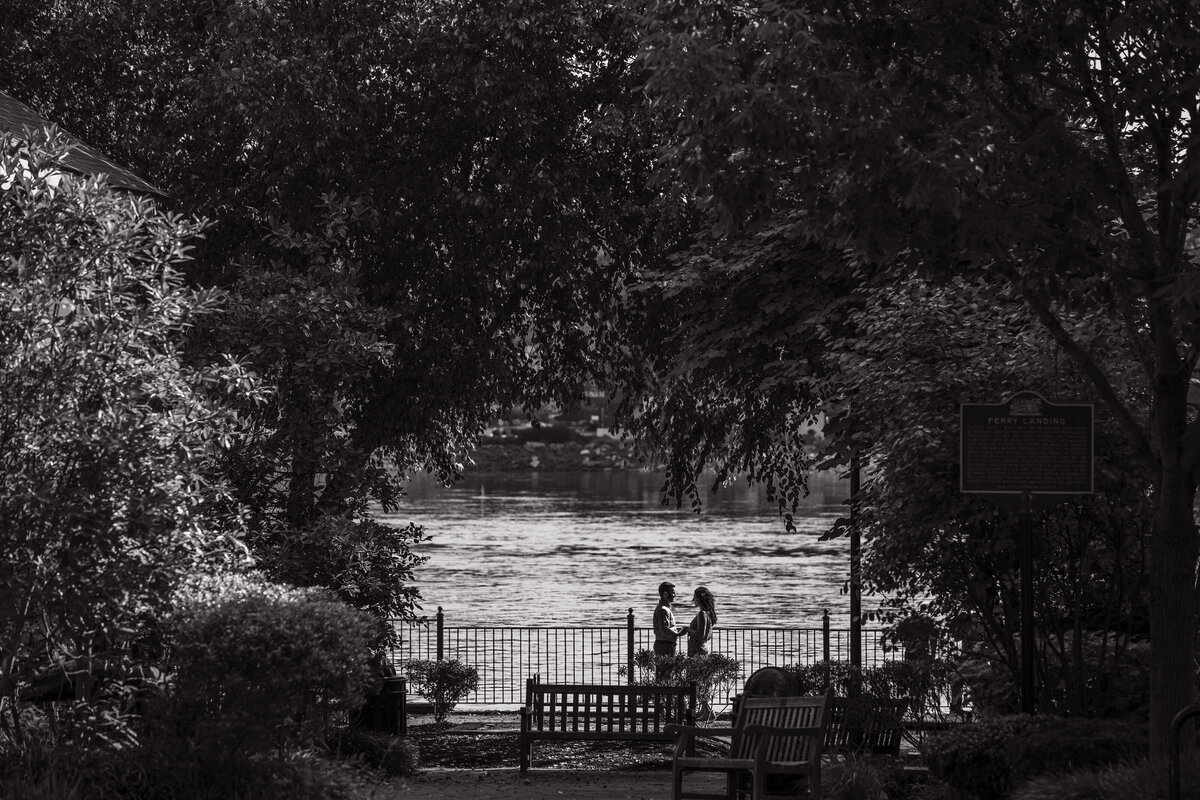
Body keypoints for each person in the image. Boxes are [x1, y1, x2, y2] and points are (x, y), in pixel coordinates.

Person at [687, 586, 718, 721]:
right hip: (702, 649)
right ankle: (705, 710)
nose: (693, 600)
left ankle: (705, 710)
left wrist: (688, 629)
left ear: (699, 598)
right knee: (701, 681)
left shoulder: (702, 614)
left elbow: (701, 635)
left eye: (695, 597)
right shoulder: (708, 614)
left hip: (697, 651)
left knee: (698, 681)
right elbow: (707, 635)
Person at [653, 581, 686, 682]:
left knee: (664, 676)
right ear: (665, 594)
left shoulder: (664, 608)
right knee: (665, 676)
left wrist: (677, 630)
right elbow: (664, 630)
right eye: (673, 593)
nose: (675, 595)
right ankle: (663, 697)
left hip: (664, 644)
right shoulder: (663, 609)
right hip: (665, 646)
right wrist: (678, 633)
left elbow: (666, 628)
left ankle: (662, 697)